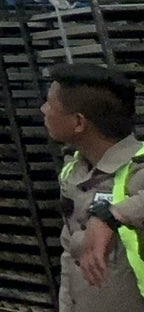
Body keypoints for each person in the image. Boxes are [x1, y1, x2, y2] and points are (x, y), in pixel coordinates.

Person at [45, 63, 144, 311]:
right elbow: (71, 259)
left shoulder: (137, 167)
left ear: (79, 122)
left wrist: (110, 215)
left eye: (50, 104)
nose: (43, 110)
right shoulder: (73, 172)